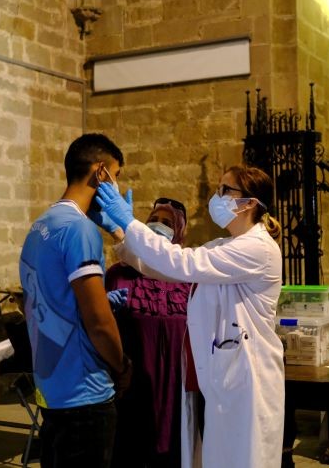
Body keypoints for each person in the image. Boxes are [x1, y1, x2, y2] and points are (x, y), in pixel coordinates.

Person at [96, 164, 285, 468]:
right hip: (225, 377)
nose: (217, 196)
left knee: (245, 459)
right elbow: (167, 269)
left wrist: (130, 222)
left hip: (249, 378)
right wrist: (122, 235)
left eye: (226, 190)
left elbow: (182, 262)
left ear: (249, 203)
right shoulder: (227, 245)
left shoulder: (257, 249)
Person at [19, 133, 133, 468]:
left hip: (52, 388)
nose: (115, 185)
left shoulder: (41, 224)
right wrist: (122, 365)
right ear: (101, 173)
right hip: (85, 393)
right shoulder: (79, 230)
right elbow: (98, 323)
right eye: (116, 176)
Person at [106, 197, 191, 468]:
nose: (158, 226)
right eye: (153, 220)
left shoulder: (189, 274)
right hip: (135, 382)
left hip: (179, 384)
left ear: (180, 231)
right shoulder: (119, 273)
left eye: (167, 223)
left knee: (176, 451)